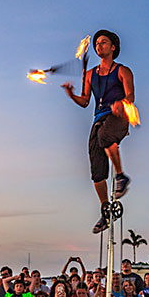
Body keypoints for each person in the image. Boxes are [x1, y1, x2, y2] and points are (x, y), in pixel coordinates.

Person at [62, 29, 134, 234]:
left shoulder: (122, 71)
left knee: (105, 135)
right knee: (96, 171)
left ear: (113, 47)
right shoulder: (91, 74)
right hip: (99, 119)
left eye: (103, 42)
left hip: (119, 117)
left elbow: (131, 95)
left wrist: (122, 103)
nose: (98, 46)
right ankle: (105, 212)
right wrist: (71, 95)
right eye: (97, 44)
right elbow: (85, 102)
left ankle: (121, 176)